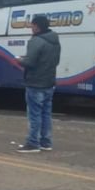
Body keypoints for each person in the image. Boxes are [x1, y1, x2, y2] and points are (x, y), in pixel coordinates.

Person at [18, 14, 61, 154]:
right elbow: (56, 61)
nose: (30, 27)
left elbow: (30, 62)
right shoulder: (55, 40)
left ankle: (32, 143)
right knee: (46, 114)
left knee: (34, 114)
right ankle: (46, 142)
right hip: (49, 82)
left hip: (35, 83)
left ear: (37, 26)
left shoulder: (36, 41)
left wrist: (20, 60)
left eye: (32, 25)